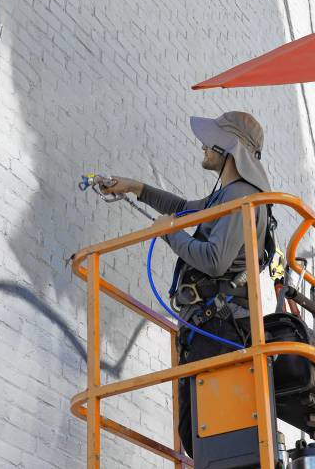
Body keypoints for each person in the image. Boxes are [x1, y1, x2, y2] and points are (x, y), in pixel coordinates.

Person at [101, 111, 272, 457]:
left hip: (220, 329)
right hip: (211, 327)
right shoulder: (227, 195)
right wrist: (136, 188)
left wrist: (169, 234)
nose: (203, 146)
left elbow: (215, 260)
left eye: (211, 141)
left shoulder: (240, 196)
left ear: (228, 148)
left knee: (207, 433)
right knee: (202, 433)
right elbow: (183, 209)